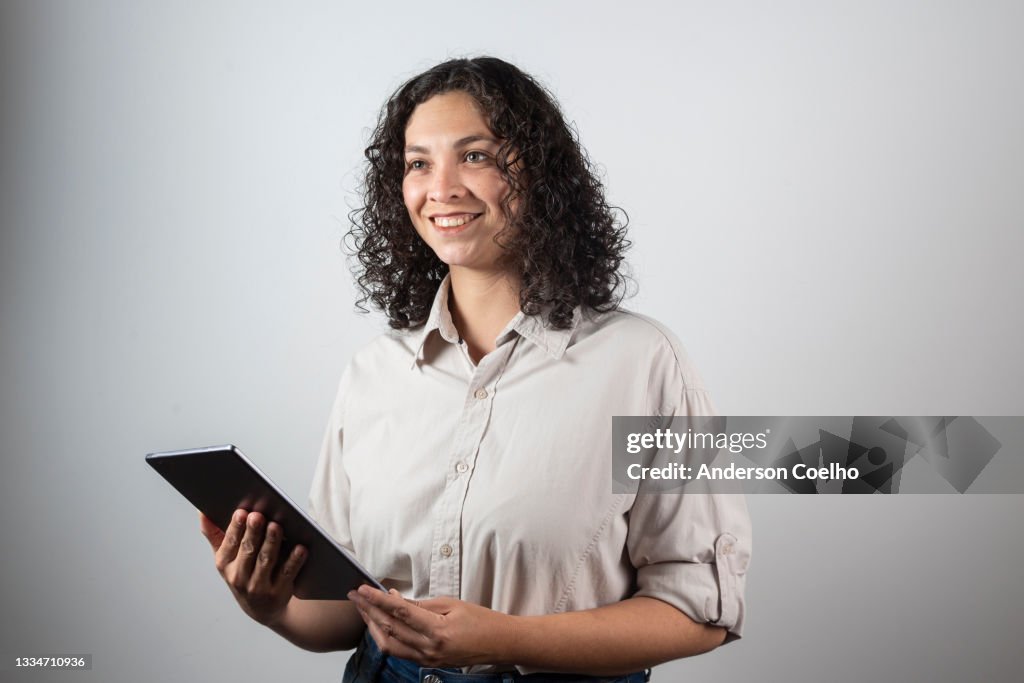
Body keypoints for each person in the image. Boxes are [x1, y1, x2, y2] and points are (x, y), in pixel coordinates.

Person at [199, 56, 751, 682]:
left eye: (476, 156)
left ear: (540, 175)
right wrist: (273, 606)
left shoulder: (646, 363)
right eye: (418, 163)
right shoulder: (373, 374)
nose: (443, 188)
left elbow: (700, 611)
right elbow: (350, 614)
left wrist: (506, 637)